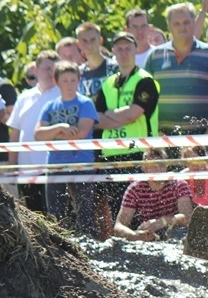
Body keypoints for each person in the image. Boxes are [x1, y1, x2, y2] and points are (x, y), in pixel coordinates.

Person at [94, 31, 161, 233]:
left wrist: (109, 116)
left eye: (128, 49)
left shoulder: (145, 80)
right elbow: (97, 120)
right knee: (118, 212)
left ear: (135, 50)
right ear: (113, 52)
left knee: (143, 210)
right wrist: (118, 116)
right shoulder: (107, 84)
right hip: (112, 155)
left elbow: (133, 114)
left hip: (139, 154)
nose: (123, 53)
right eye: (119, 49)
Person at [34, 61, 99, 238]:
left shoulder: (86, 103)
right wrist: (61, 127)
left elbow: (81, 133)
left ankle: (89, 246)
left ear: (79, 80)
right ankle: (59, 248)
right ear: (57, 82)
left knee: (85, 213)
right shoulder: (49, 106)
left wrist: (53, 135)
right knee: (56, 214)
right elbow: (38, 135)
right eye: (65, 81)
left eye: (73, 80)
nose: (69, 84)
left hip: (81, 164)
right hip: (56, 165)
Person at [145, 2, 208, 134]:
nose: (182, 27)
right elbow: (145, 99)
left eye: (186, 22)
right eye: (176, 23)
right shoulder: (154, 56)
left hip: (202, 141)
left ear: (194, 23)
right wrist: (155, 131)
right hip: (164, 141)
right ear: (169, 26)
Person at [6, 50, 61, 207]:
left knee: (57, 218)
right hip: (26, 170)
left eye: (54, 68)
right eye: (46, 68)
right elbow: (15, 133)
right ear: (36, 70)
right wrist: (12, 166)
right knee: (33, 217)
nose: (50, 72)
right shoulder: (24, 97)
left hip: (54, 170)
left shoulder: (63, 94)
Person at [114, 147, 193, 241]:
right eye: (154, 165)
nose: (159, 169)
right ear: (144, 167)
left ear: (167, 165)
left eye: (162, 164)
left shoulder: (178, 184)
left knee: (180, 232)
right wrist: (135, 235)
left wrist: (163, 221)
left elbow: (188, 217)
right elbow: (118, 227)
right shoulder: (135, 189)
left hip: (175, 233)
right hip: (149, 235)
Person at [76, 22, 119, 99]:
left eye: (93, 40)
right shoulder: (78, 73)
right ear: (79, 44)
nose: (89, 45)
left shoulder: (114, 68)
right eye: (84, 41)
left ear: (100, 41)